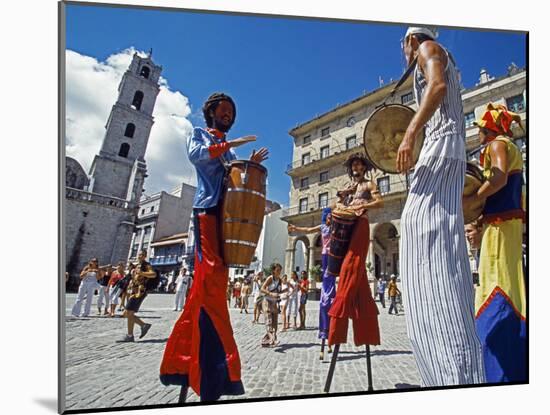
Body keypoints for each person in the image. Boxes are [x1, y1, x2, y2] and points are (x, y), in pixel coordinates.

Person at [160, 92, 268, 401]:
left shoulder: (229, 153)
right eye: (223, 110)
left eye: (231, 112)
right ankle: (218, 362)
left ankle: (184, 362)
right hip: (207, 209)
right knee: (211, 276)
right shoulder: (201, 134)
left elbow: (233, 179)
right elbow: (198, 156)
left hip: (226, 213)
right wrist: (231, 146)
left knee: (211, 284)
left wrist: (249, 164)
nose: (228, 115)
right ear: (212, 112)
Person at [397, 26, 485, 386]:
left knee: (421, 229)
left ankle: (453, 374)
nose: (404, 54)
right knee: (432, 237)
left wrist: (408, 133)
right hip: (443, 150)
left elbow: (438, 87)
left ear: (410, 40)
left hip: (442, 147)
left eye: (402, 47)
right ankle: (442, 371)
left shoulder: (429, 47)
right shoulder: (433, 54)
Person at [464, 103, 526, 382]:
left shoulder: (497, 145)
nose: (477, 133)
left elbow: (498, 178)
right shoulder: (509, 147)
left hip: (500, 228)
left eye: (479, 128)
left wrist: (474, 199)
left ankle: (503, 371)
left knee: (495, 285)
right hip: (506, 226)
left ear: (488, 127)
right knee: (511, 285)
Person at [327, 153, 382, 348]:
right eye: (354, 166)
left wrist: (362, 205)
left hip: (362, 224)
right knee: (356, 279)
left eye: (359, 166)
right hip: (348, 225)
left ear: (364, 168)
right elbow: (333, 207)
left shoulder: (369, 185)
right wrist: (342, 196)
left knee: (351, 265)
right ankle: (366, 333)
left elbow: (379, 202)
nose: (356, 168)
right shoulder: (349, 188)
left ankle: (339, 321)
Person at [288, 208, 335, 346]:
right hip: (325, 254)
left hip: (333, 254)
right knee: (326, 274)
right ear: (325, 217)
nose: (330, 219)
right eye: (329, 217)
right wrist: (296, 227)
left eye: (331, 217)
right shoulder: (322, 227)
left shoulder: (334, 226)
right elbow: (309, 230)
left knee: (331, 275)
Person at [120, 250, 155, 342]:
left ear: (145, 256)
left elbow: (153, 274)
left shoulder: (146, 265)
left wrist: (142, 273)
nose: (140, 256)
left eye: (142, 255)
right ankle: (143, 325)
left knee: (129, 313)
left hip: (139, 292)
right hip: (133, 291)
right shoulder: (136, 266)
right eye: (139, 254)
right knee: (126, 313)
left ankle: (130, 335)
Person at [260, 264, 285, 347]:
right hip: (267, 301)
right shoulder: (270, 278)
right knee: (269, 321)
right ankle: (273, 339)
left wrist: (285, 292)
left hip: (274, 303)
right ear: (273, 271)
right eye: (277, 270)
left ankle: (265, 340)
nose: (279, 272)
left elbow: (278, 291)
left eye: (280, 270)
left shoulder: (280, 280)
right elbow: (262, 288)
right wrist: (270, 293)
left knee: (275, 323)